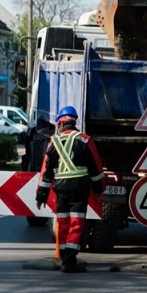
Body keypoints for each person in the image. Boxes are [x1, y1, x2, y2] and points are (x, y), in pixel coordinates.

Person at [35, 106, 106, 273]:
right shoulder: (85, 140)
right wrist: (99, 188)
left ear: (60, 123)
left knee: (64, 223)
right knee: (76, 224)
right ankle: (69, 261)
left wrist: (41, 195)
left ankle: (65, 258)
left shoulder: (54, 142)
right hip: (80, 189)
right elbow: (95, 168)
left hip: (61, 189)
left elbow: (47, 172)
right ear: (74, 122)